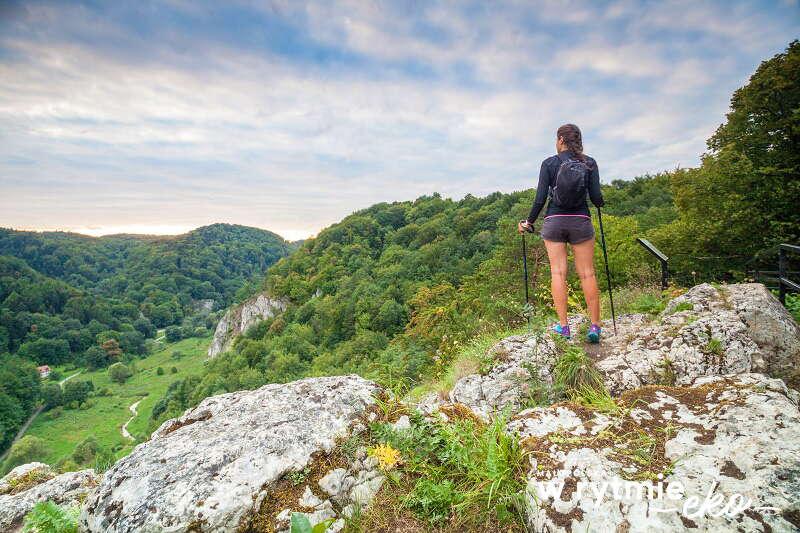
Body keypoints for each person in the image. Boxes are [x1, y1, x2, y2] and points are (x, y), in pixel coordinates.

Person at [518, 124, 605, 343]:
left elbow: (539, 199)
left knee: (558, 273)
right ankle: (594, 326)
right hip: (581, 221)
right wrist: (601, 201)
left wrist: (528, 222)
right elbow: (596, 198)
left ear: (560, 140)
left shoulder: (549, 163)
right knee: (587, 273)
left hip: (554, 221)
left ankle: (564, 328)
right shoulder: (590, 163)